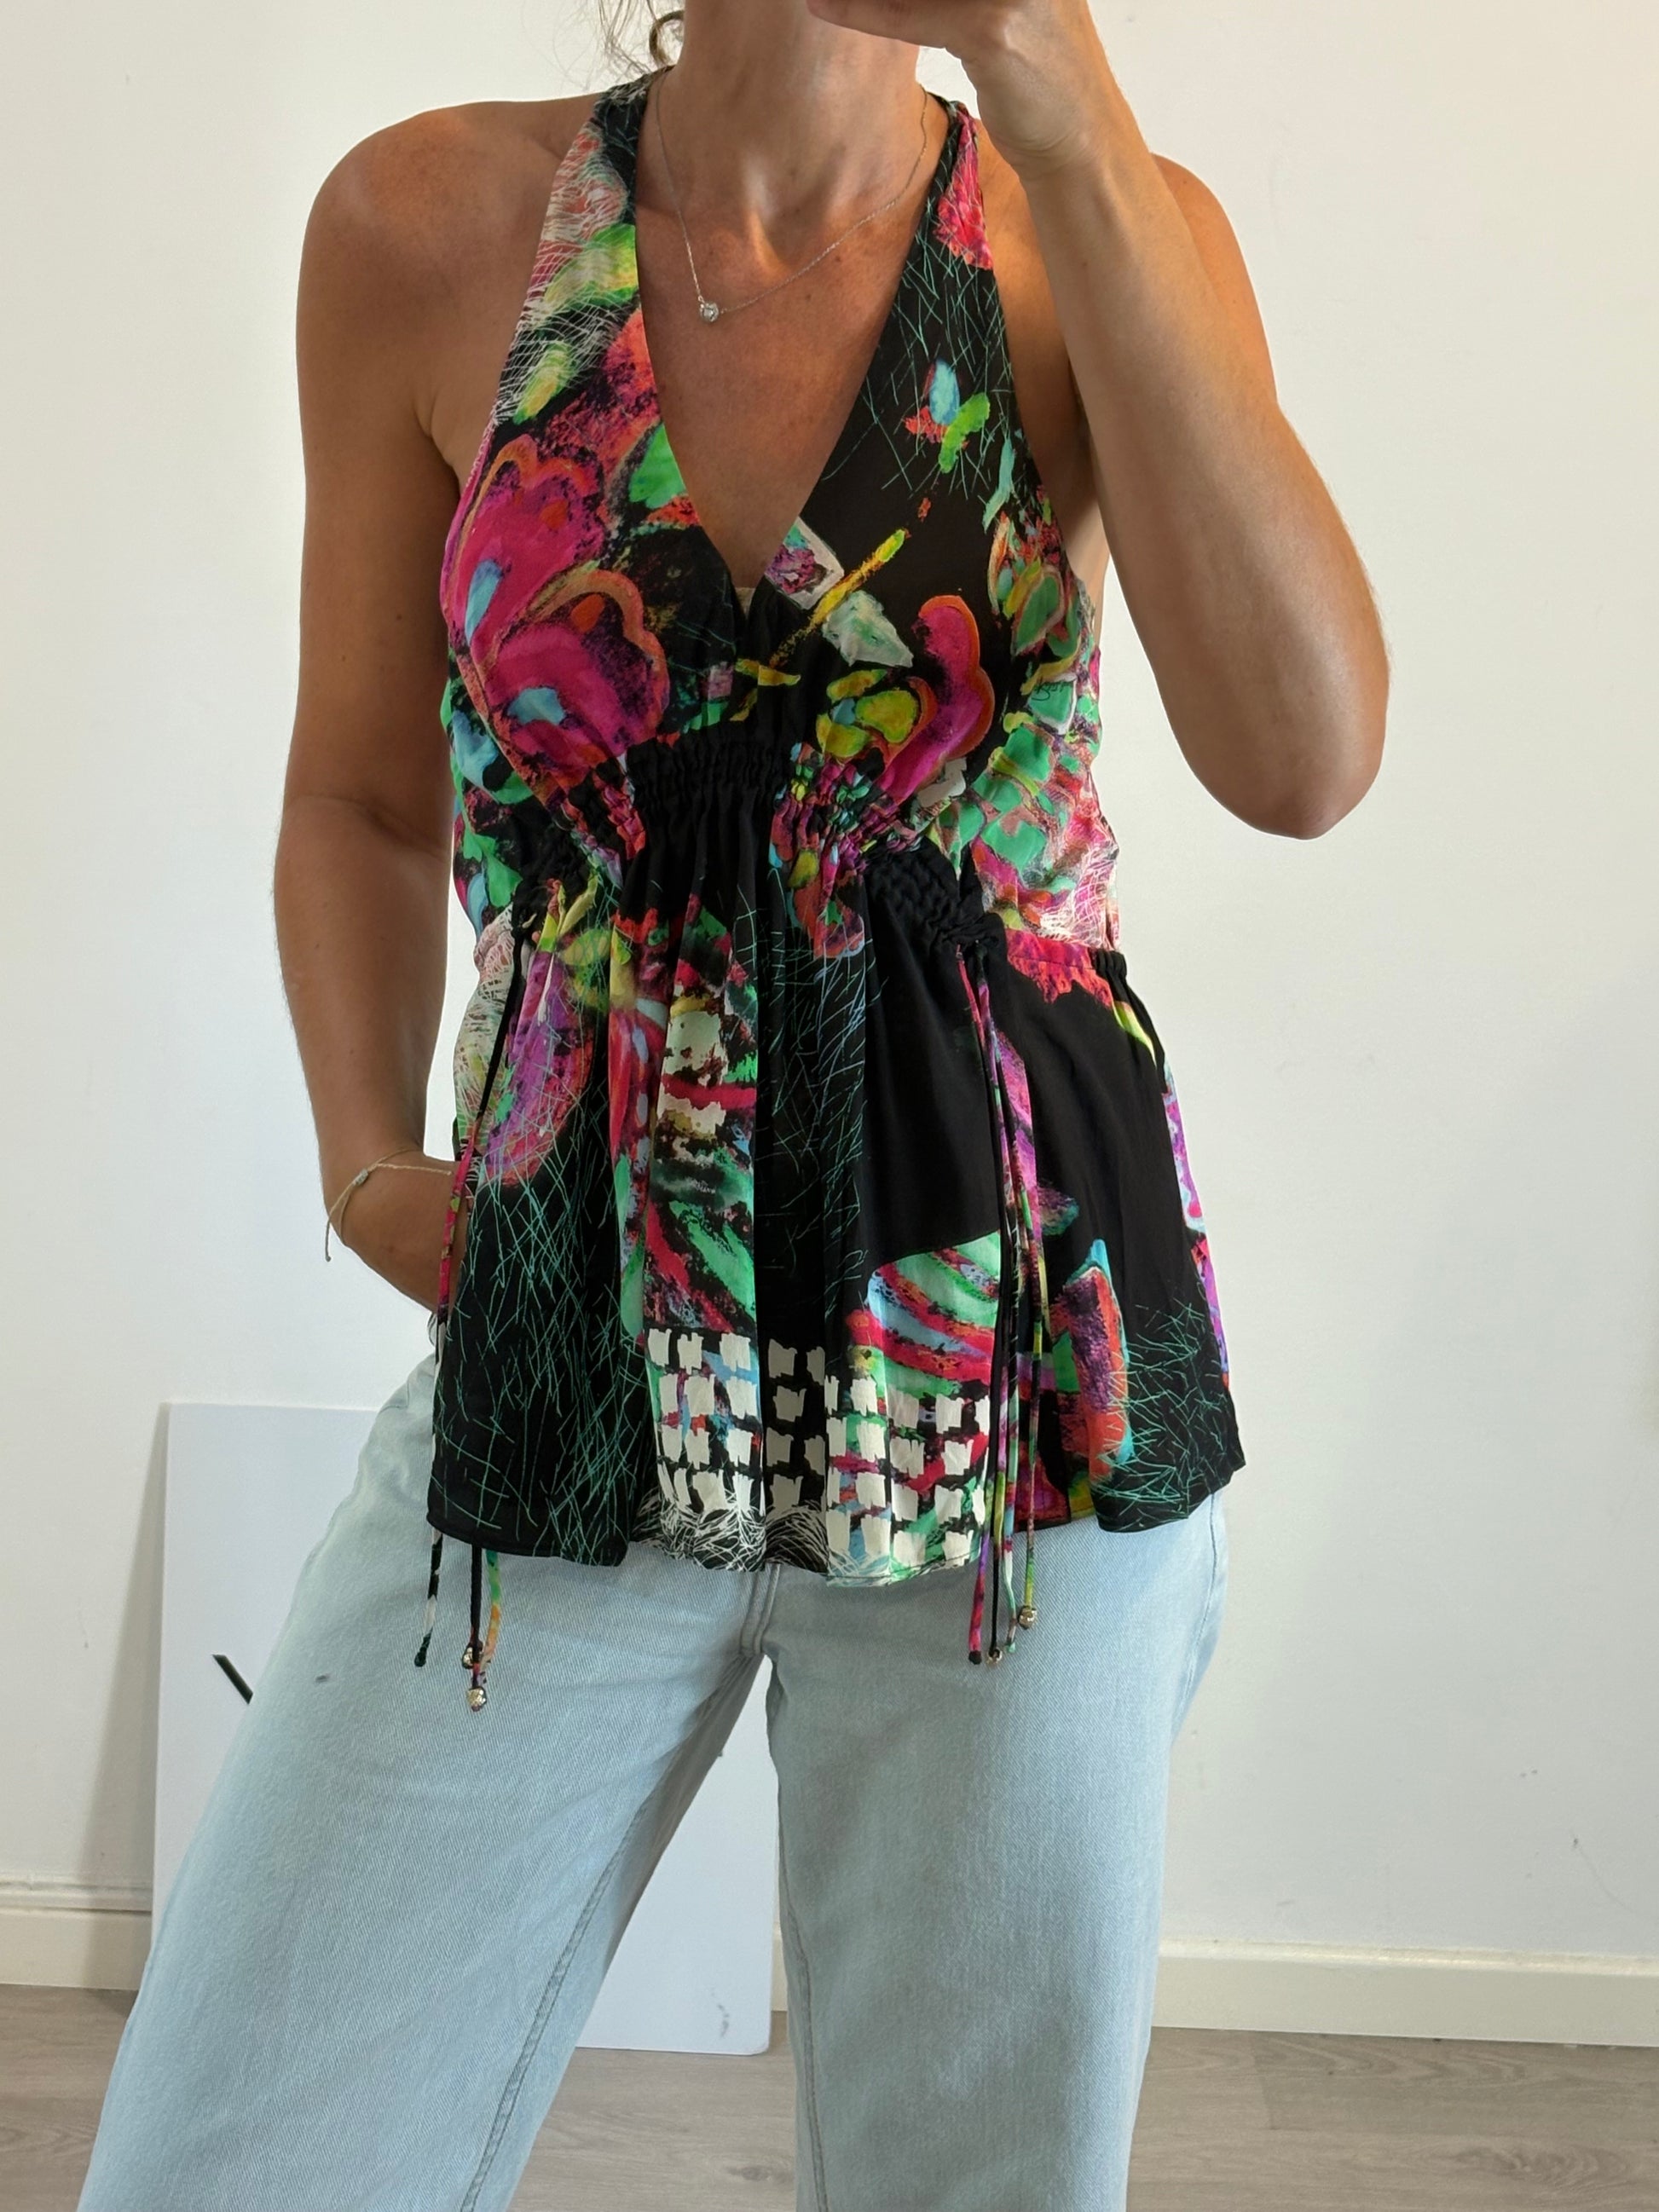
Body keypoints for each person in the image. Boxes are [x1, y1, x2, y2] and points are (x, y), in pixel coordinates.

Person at [78, 2, 1387, 2208]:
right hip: (573, 1327)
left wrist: (1064, 104)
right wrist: (366, 1158)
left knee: (969, 2180)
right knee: (239, 2156)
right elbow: (359, 791)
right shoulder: (430, 224)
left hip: (1004, 1382)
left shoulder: (1095, 228)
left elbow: (1302, 756)